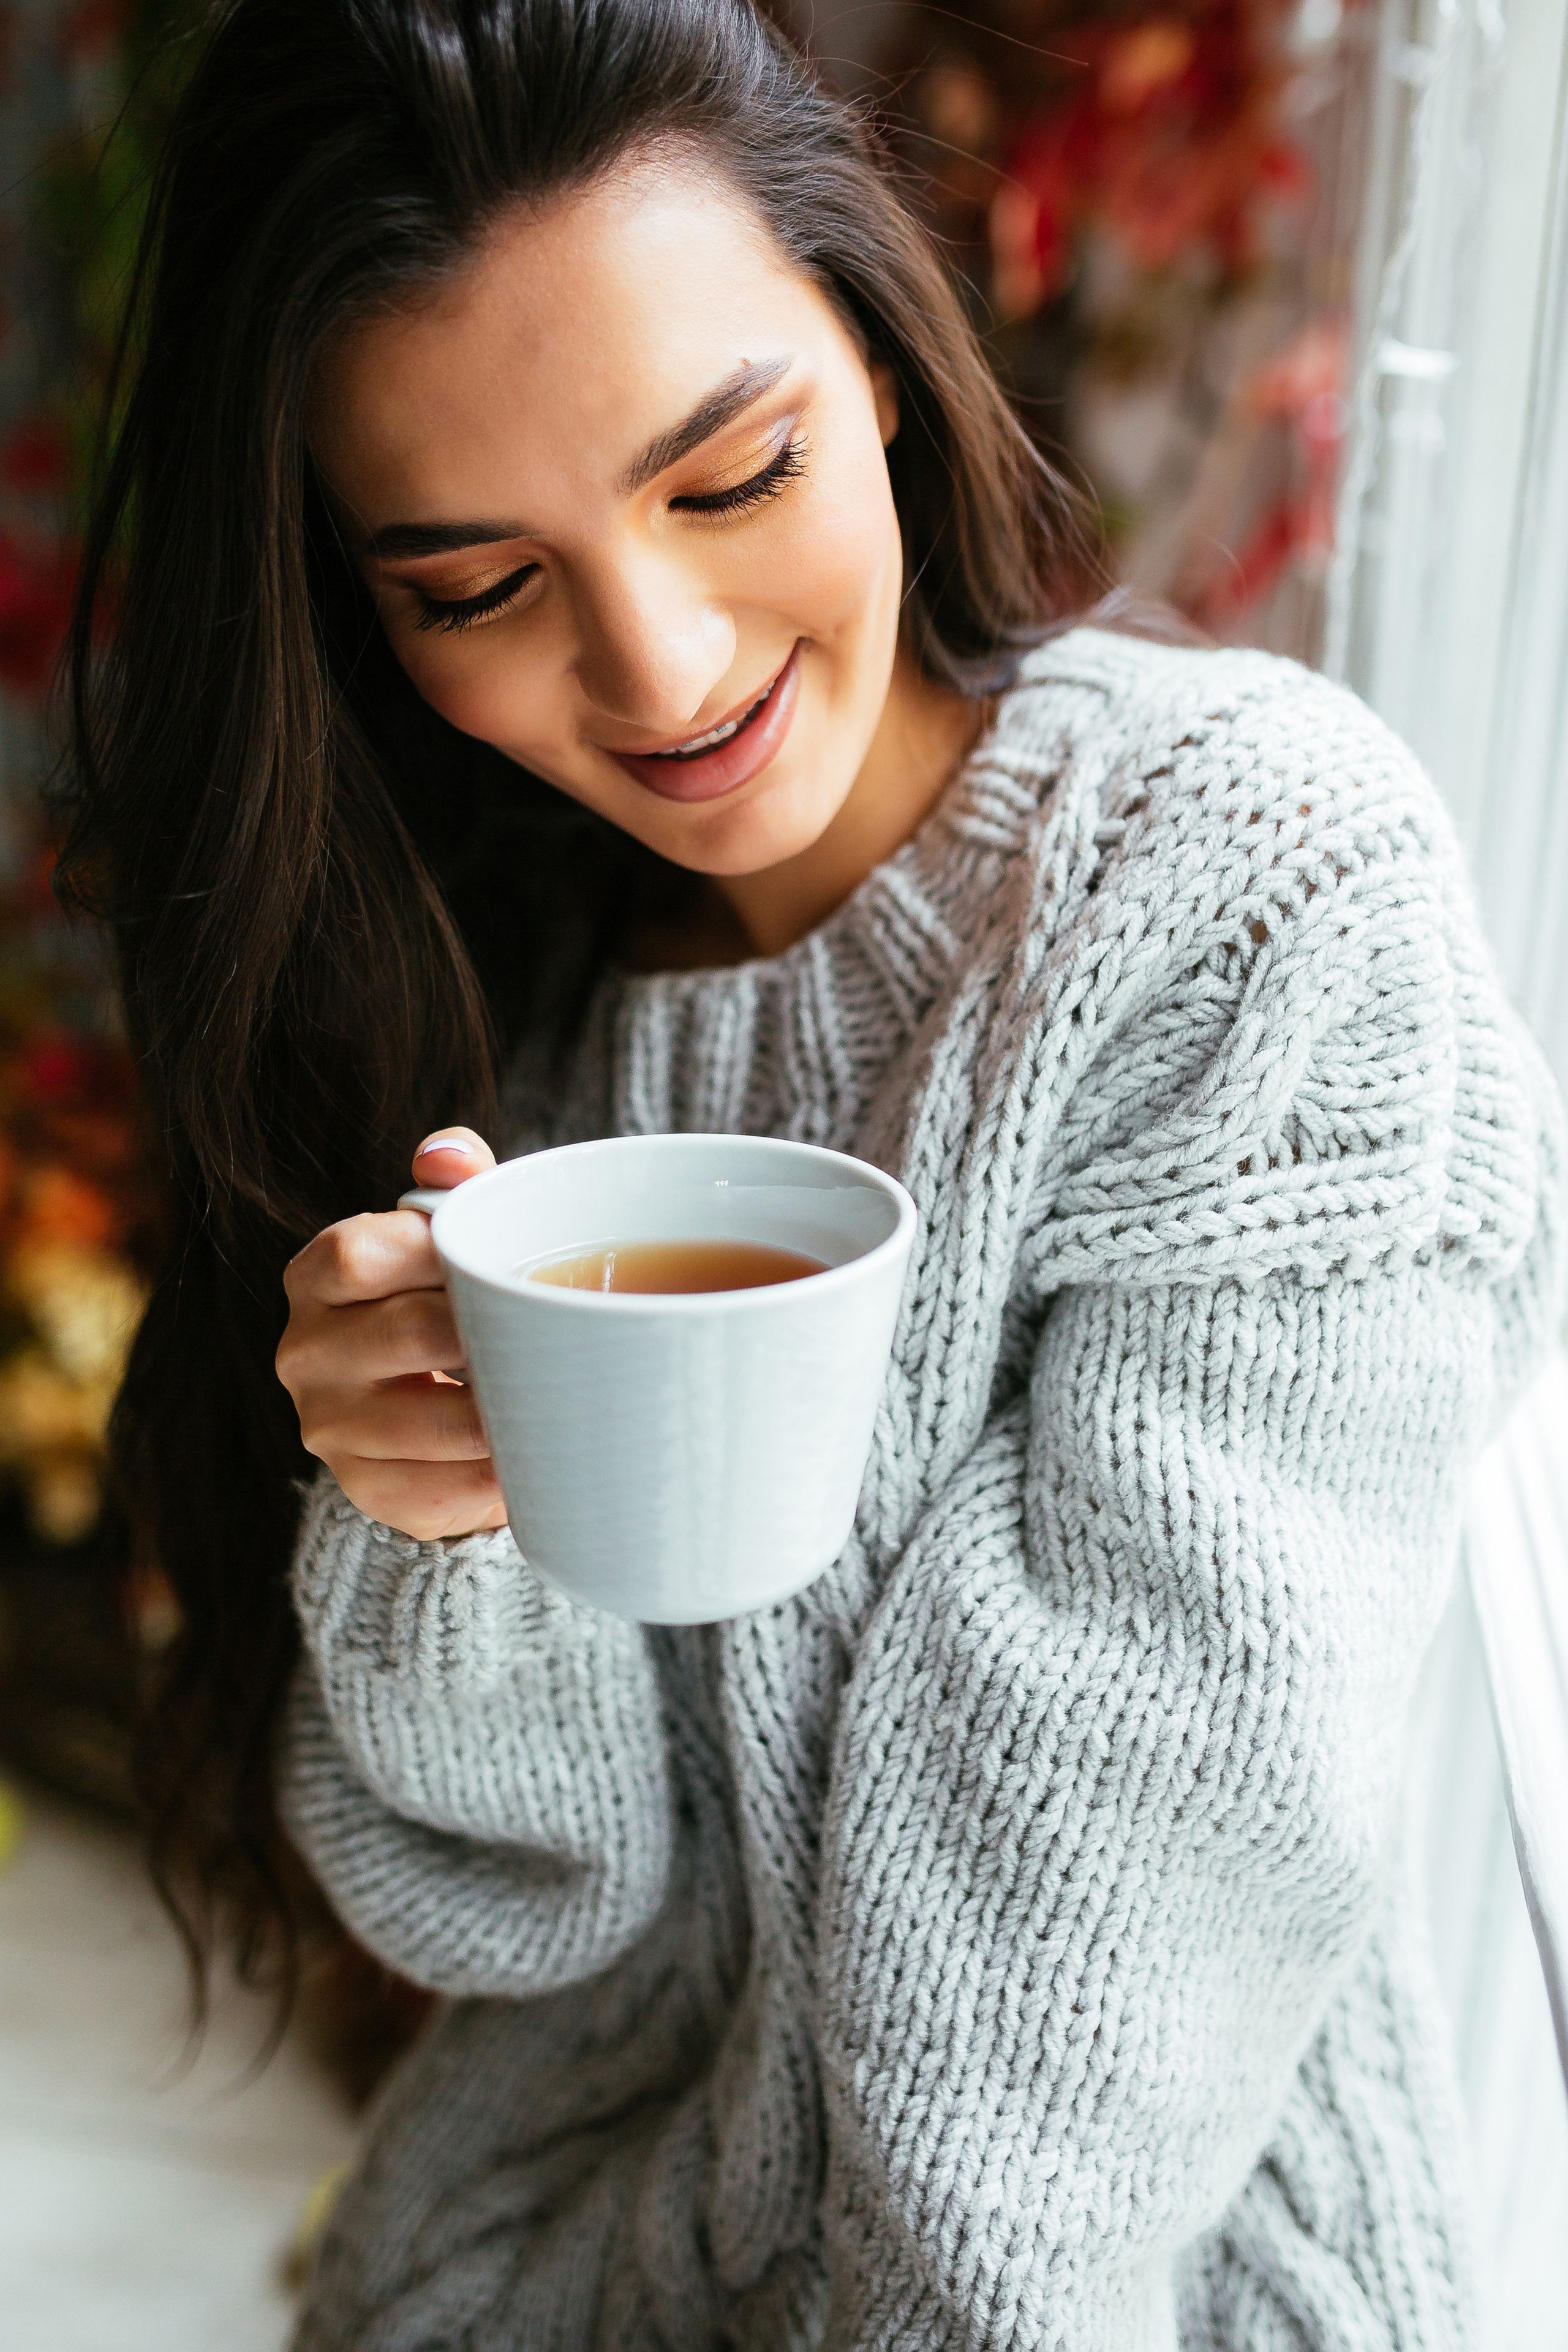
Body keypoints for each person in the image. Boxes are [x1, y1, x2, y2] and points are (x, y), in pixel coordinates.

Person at [58, 1, 1564, 2345]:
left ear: (876, 354)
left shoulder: (1244, 899)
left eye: (731, 472)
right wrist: (431, 1520)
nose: (661, 671)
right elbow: (522, 1915)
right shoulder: (481, 1025)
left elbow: (1111, 1970)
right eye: (478, 588)